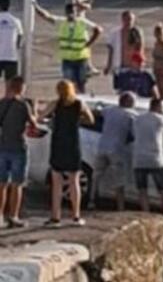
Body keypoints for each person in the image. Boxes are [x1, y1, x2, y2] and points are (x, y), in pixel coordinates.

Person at [38, 80, 94, 226]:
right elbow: (91, 119)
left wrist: (51, 120)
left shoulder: (55, 104)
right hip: (73, 143)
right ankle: (76, 215)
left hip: (58, 143)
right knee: (74, 181)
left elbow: (40, 117)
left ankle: (55, 216)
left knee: (56, 182)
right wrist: (77, 119)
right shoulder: (79, 104)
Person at [34, 2, 102, 93]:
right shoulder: (62, 22)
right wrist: (36, 7)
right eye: (69, 11)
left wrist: (89, 43)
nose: (71, 14)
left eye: (73, 11)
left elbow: (98, 30)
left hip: (81, 59)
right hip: (67, 60)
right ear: (66, 12)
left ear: (76, 12)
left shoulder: (82, 22)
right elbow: (47, 16)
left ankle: (80, 101)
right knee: (69, 85)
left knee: (81, 83)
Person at [0, 77, 38, 228]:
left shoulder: (2, 104)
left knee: (1, 183)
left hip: (2, 146)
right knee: (17, 184)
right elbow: (33, 124)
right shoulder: (23, 105)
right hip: (18, 147)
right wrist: (34, 109)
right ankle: (13, 216)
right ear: (20, 88)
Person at [132, 97, 163, 221]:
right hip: (156, 159)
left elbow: (134, 135)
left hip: (139, 159)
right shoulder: (162, 120)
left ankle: (146, 217)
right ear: (158, 106)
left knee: (142, 190)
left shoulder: (138, 119)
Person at [93, 92, 136, 211]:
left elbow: (98, 111)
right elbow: (134, 134)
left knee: (96, 176)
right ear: (129, 103)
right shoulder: (131, 115)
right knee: (119, 179)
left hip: (102, 147)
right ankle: (120, 206)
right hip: (117, 149)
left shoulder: (109, 110)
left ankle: (91, 201)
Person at [104, 11, 144, 88]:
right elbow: (111, 51)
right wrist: (108, 66)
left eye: (131, 19)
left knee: (132, 89)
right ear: (122, 20)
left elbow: (140, 50)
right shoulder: (115, 33)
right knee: (119, 89)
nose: (129, 22)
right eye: (127, 19)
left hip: (133, 67)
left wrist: (140, 64)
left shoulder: (137, 32)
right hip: (119, 66)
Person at [0, 0, 23, 80]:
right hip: (11, 56)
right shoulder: (16, 21)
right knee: (10, 84)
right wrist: (16, 47)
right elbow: (20, 36)